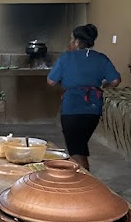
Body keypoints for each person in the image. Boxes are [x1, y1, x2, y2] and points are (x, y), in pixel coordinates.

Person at [46, 23, 121, 170]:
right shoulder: (101, 58)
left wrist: (67, 80)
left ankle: (84, 184)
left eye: (72, 39)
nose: (71, 42)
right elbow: (115, 80)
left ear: (77, 41)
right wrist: (102, 85)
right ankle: (83, 182)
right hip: (93, 109)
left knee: (76, 151)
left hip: (72, 108)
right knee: (80, 146)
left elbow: (51, 81)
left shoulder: (66, 58)